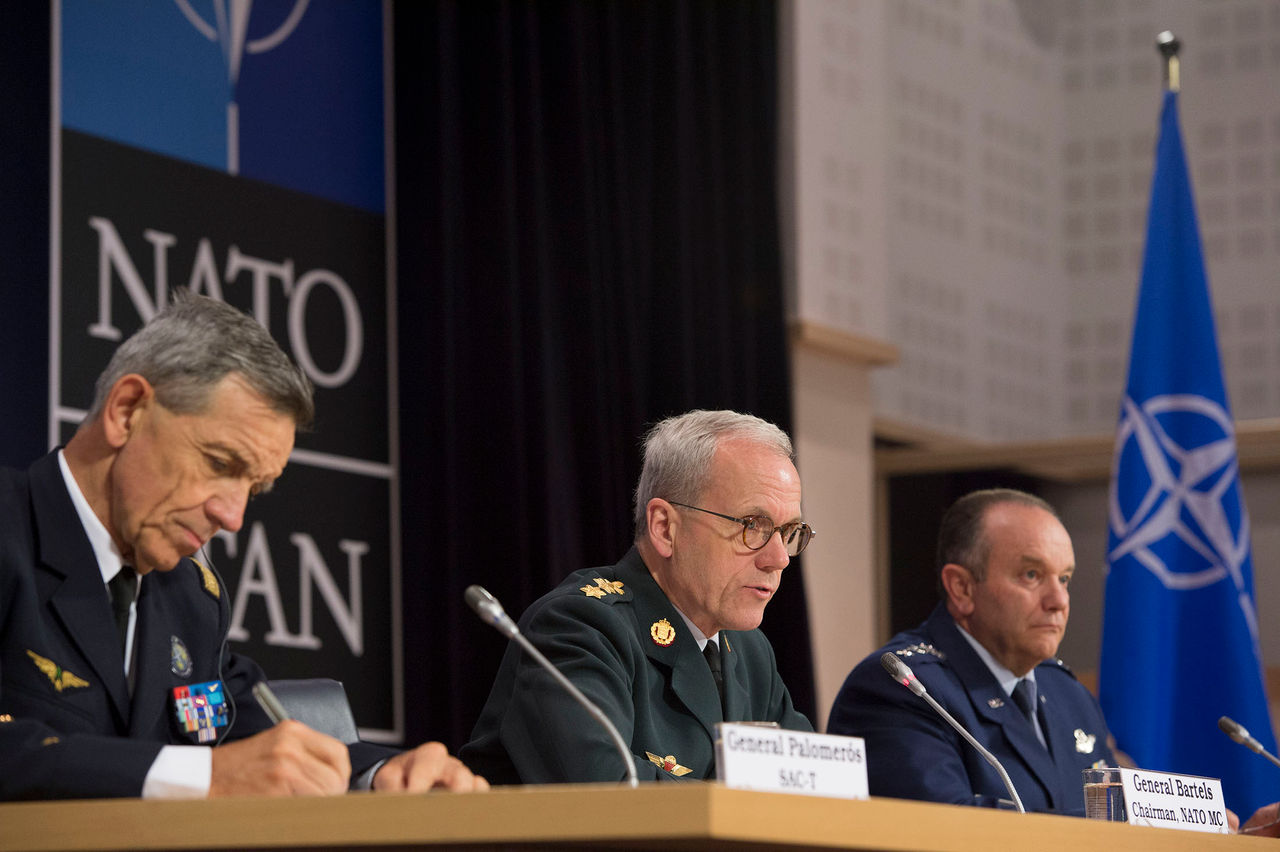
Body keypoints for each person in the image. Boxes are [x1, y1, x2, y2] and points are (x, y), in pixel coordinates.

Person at [0, 292, 486, 800]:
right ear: (127, 412)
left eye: (253, 489)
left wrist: (381, 774)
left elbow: (249, 734)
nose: (232, 518)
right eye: (220, 464)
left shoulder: (189, 599)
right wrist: (208, 776)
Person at [461, 409, 814, 783]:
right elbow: (606, 789)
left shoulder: (750, 651)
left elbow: (813, 786)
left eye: (788, 531)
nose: (778, 559)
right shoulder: (578, 628)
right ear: (664, 528)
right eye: (753, 526)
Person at [827, 488, 1113, 816]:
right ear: (962, 588)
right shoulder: (903, 690)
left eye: (1064, 579)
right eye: (1031, 575)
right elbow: (946, 827)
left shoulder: (1069, 695)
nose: (1059, 601)